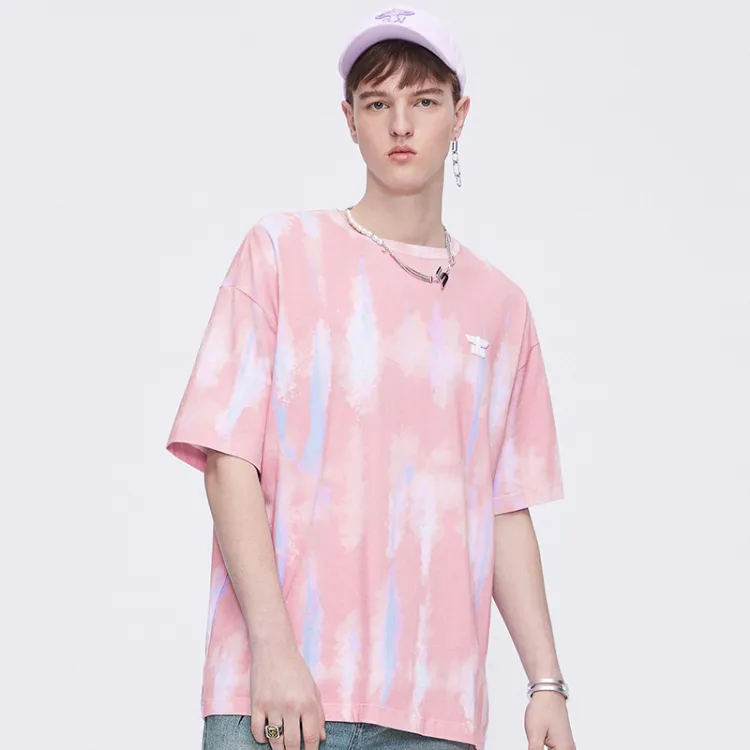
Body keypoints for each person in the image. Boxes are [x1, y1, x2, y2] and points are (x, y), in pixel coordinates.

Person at [166, 6, 576, 750]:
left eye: (425, 100)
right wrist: (274, 652)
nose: (401, 124)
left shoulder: (502, 307)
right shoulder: (281, 252)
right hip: (277, 696)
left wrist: (544, 683)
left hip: (433, 713)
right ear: (349, 119)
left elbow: (503, 505)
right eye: (378, 103)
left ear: (460, 116)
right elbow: (228, 462)